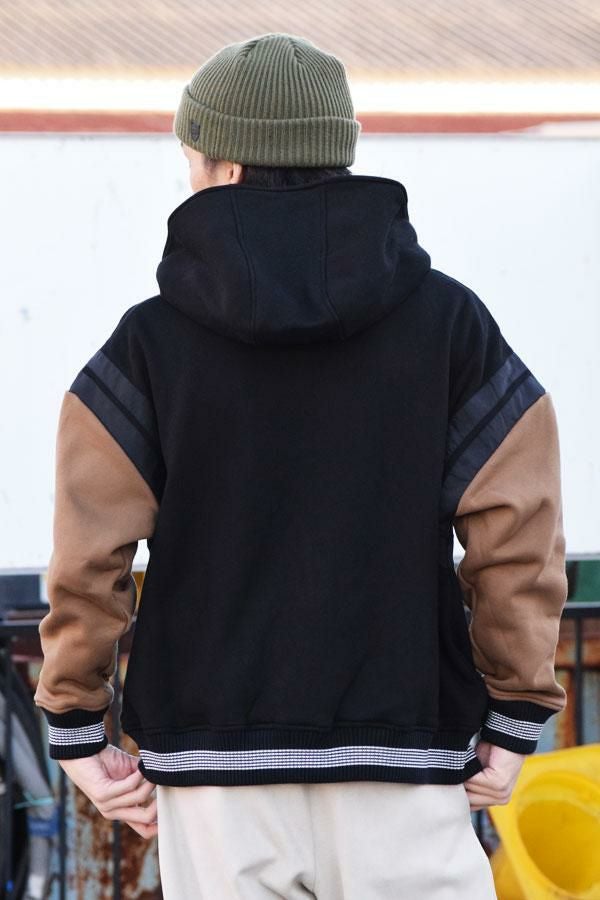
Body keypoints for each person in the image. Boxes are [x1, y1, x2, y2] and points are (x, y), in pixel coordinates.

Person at [33, 32, 568, 899]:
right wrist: (515, 715)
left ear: (226, 166)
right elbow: (519, 532)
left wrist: (75, 721)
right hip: (404, 761)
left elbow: (89, 554)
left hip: (216, 776)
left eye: (192, 161)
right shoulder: (450, 326)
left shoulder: (149, 345)